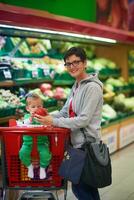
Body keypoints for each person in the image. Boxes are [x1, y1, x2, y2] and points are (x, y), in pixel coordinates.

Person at [34, 47, 103, 200]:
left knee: (82, 189)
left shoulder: (92, 87)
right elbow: (65, 112)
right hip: (76, 145)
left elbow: (84, 119)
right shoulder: (76, 85)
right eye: (68, 64)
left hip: (87, 145)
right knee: (87, 189)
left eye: (76, 62)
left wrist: (54, 121)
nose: (72, 67)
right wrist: (45, 116)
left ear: (85, 63)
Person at [18, 93, 52, 179]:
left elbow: (50, 125)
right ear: (28, 109)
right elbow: (24, 124)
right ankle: (29, 167)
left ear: (43, 107)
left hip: (42, 142)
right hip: (28, 143)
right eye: (33, 107)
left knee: (46, 154)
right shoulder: (27, 117)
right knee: (22, 153)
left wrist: (46, 117)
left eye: (39, 106)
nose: (36, 109)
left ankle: (43, 168)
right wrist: (30, 119)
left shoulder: (44, 117)